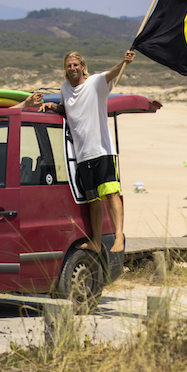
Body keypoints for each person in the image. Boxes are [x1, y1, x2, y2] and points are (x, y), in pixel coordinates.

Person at [42, 49, 135, 254]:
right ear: (65, 69)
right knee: (93, 200)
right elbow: (68, 109)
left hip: (101, 150)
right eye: (69, 65)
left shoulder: (95, 82)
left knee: (111, 193)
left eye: (76, 64)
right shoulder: (65, 87)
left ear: (83, 66)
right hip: (82, 155)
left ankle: (119, 237)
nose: (73, 68)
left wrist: (124, 62)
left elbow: (111, 74)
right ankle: (96, 240)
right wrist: (53, 106)